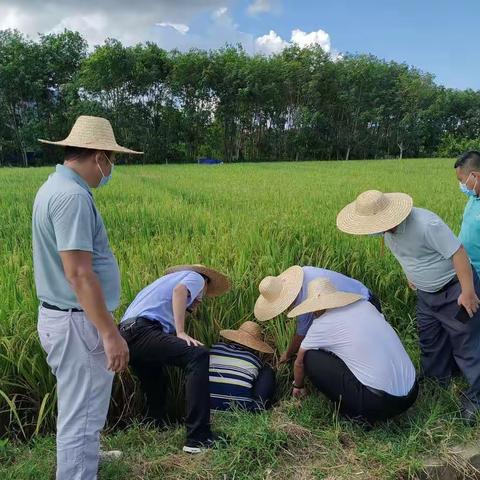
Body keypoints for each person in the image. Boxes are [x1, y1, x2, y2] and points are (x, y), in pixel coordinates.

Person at [33, 115, 143, 479]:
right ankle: (78, 471)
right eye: (110, 159)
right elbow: (79, 274)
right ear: (98, 156)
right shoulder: (72, 197)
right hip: (78, 322)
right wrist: (110, 334)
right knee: (80, 415)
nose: (110, 169)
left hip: (72, 318)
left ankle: (87, 456)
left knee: (85, 407)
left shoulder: (56, 187)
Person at [337, 189, 480, 424]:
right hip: (426, 295)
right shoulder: (388, 233)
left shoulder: (426, 224)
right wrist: (411, 276)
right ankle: (437, 380)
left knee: (467, 342)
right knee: (430, 339)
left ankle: (476, 397)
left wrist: (468, 292)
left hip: (454, 289)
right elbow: (408, 256)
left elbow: (458, 253)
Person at [119, 264, 231, 454]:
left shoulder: (157, 285)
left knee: (155, 376)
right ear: (205, 282)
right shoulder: (196, 278)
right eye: (204, 294)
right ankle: (198, 438)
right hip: (142, 330)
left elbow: (165, 306)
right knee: (198, 355)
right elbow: (180, 291)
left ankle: (156, 425)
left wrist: (188, 308)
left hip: (126, 335)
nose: (201, 298)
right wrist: (180, 332)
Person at [288, 278, 417, 423]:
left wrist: (298, 386)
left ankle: (357, 415)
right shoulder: (365, 306)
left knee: (309, 357)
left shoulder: (322, 324)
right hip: (412, 392)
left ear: (316, 307)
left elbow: (299, 363)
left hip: (380, 403)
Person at [253, 265, 381, 365]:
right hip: (361, 293)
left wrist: (287, 354)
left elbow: (301, 335)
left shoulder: (305, 299)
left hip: (364, 306)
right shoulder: (304, 273)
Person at [209, 321, 276, 412]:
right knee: (267, 371)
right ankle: (258, 409)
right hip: (240, 411)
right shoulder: (254, 360)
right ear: (256, 346)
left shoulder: (215, 348)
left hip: (207, 409)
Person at [455, 151, 480, 277]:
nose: (461, 185)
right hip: (468, 273)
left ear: (474, 176)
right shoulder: (473, 197)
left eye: (461, 180)